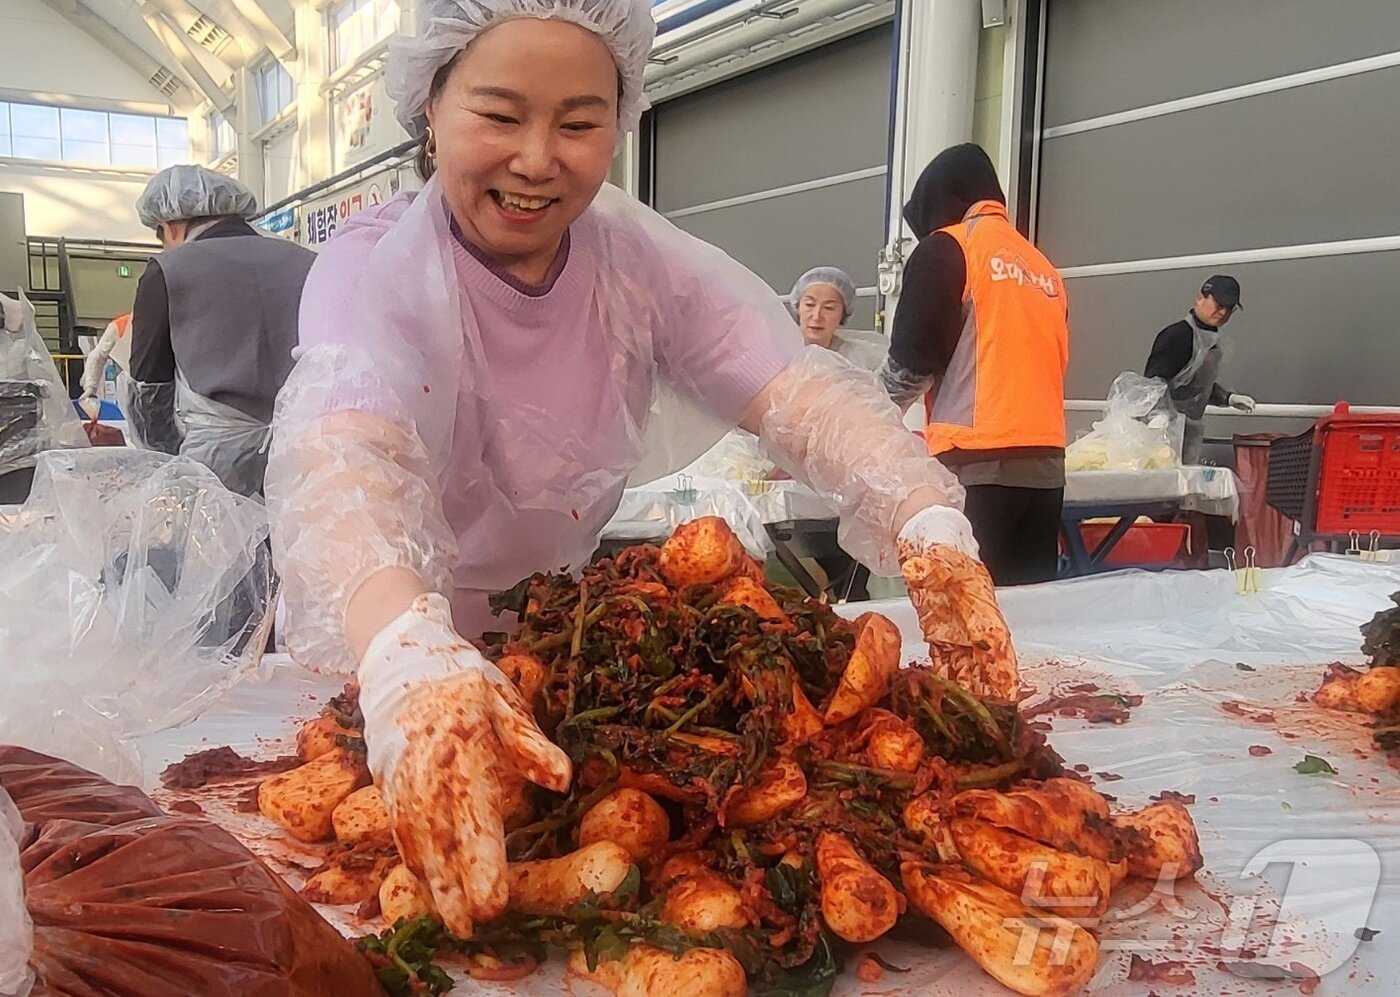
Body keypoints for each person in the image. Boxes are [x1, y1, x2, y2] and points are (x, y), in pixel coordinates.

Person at [265, 0, 1013, 939]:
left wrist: (923, 513)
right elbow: (344, 462)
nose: (537, 159)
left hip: (564, 658)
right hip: (390, 667)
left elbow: (798, 395)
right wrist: (399, 651)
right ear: (430, 107)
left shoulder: (635, 260)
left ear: (618, 126)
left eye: (579, 124)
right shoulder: (374, 268)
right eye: (499, 115)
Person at [879, 143, 1070, 587]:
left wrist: (863, 420)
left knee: (964, 603)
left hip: (974, 463)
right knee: (1029, 607)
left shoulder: (950, 248)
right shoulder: (1042, 267)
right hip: (1045, 466)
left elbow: (911, 362)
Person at [128, 165, 315, 497]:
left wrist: (163, 463)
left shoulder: (167, 270)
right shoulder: (309, 261)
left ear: (169, 225)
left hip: (214, 467)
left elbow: (149, 391)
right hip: (305, 454)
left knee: (213, 531)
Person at [1143, 275, 1255, 465]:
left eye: (1229, 308)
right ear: (1200, 298)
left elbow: (1196, 385)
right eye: (1219, 305)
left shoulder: (1212, 344)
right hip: (1160, 430)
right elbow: (1152, 384)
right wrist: (1158, 416)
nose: (1223, 312)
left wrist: (1228, 398)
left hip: (1189, 431)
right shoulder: (1178, 336)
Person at [787, 267, 887, 371]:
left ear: (843, 314)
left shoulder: (864, 359)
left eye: (828, 308)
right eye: (809, 304)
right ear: (797, 307)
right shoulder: (780, 351)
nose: (816, 316)